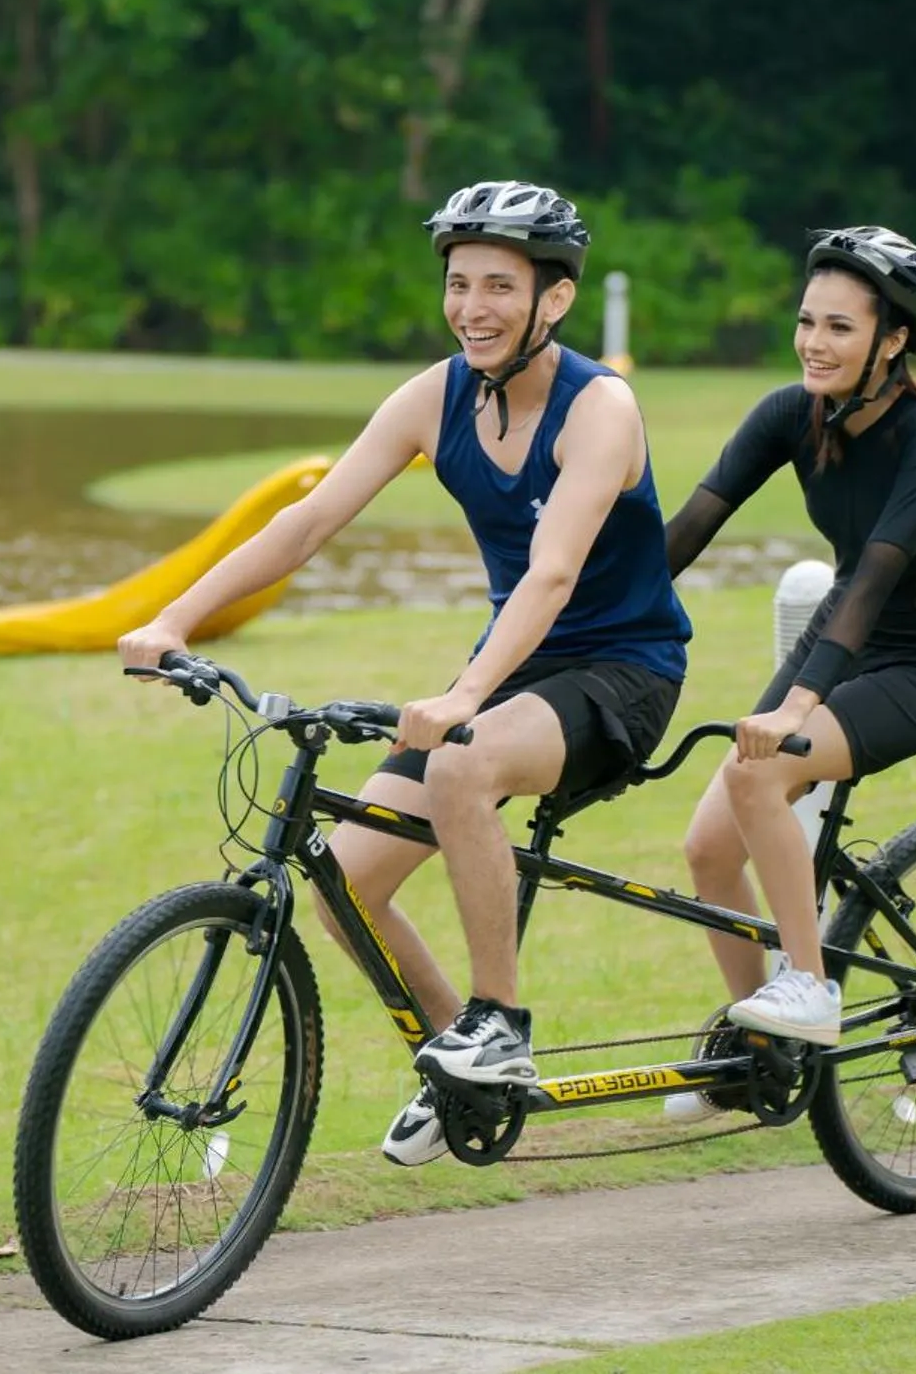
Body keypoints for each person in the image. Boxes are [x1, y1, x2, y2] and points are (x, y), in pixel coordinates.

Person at [118, 180, 691, 1165]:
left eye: (499, 286)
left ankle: (499, 1024)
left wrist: (469, 696)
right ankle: (450, 1060)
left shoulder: (602, 407)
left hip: (619, 669)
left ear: (553, 299)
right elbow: (307, 520)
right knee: (345, 873)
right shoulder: (438, 395)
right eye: (459, 283)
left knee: (463, 764)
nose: (472, 305)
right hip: (512, 669)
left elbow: (553, 570)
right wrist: (173, 616)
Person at [661, 226, 916, 1094]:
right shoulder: (784, 413)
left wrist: (796, 708)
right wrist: (580, 603)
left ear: (894, 338)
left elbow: (874, 578)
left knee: (756, 779)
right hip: (837, 640)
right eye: (807, 321)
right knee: (707, 848)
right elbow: (686, 532)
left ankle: (810, 988)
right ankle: (761, 1052)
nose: (813, 341)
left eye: (840, 326)